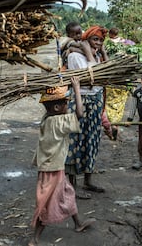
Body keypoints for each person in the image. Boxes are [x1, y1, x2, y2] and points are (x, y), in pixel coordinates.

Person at [29, 79, 95, 246]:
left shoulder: (47, 119)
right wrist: (77, 89)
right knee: (47, 202)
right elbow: (79, 114)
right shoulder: (58, 122)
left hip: (52, 168)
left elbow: (54, 106)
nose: (68, 105)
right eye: (66, 103)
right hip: (52, 170)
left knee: (68, 193)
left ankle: (78, 223)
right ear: (58, 108)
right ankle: (35, 239)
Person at [64, 25, 109, 198]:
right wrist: (88, 52)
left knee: (92, 139)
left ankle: (88, 181)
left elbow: (107, 72)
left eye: (100, 40)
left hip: (95, 100)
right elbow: (91, 76)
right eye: (94, 39)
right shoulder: (75, 56)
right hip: (80, 101)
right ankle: (72, 186)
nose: (97, 43)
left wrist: (102, 52)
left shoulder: (97, 55)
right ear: (86, 40)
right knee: (76, 140)